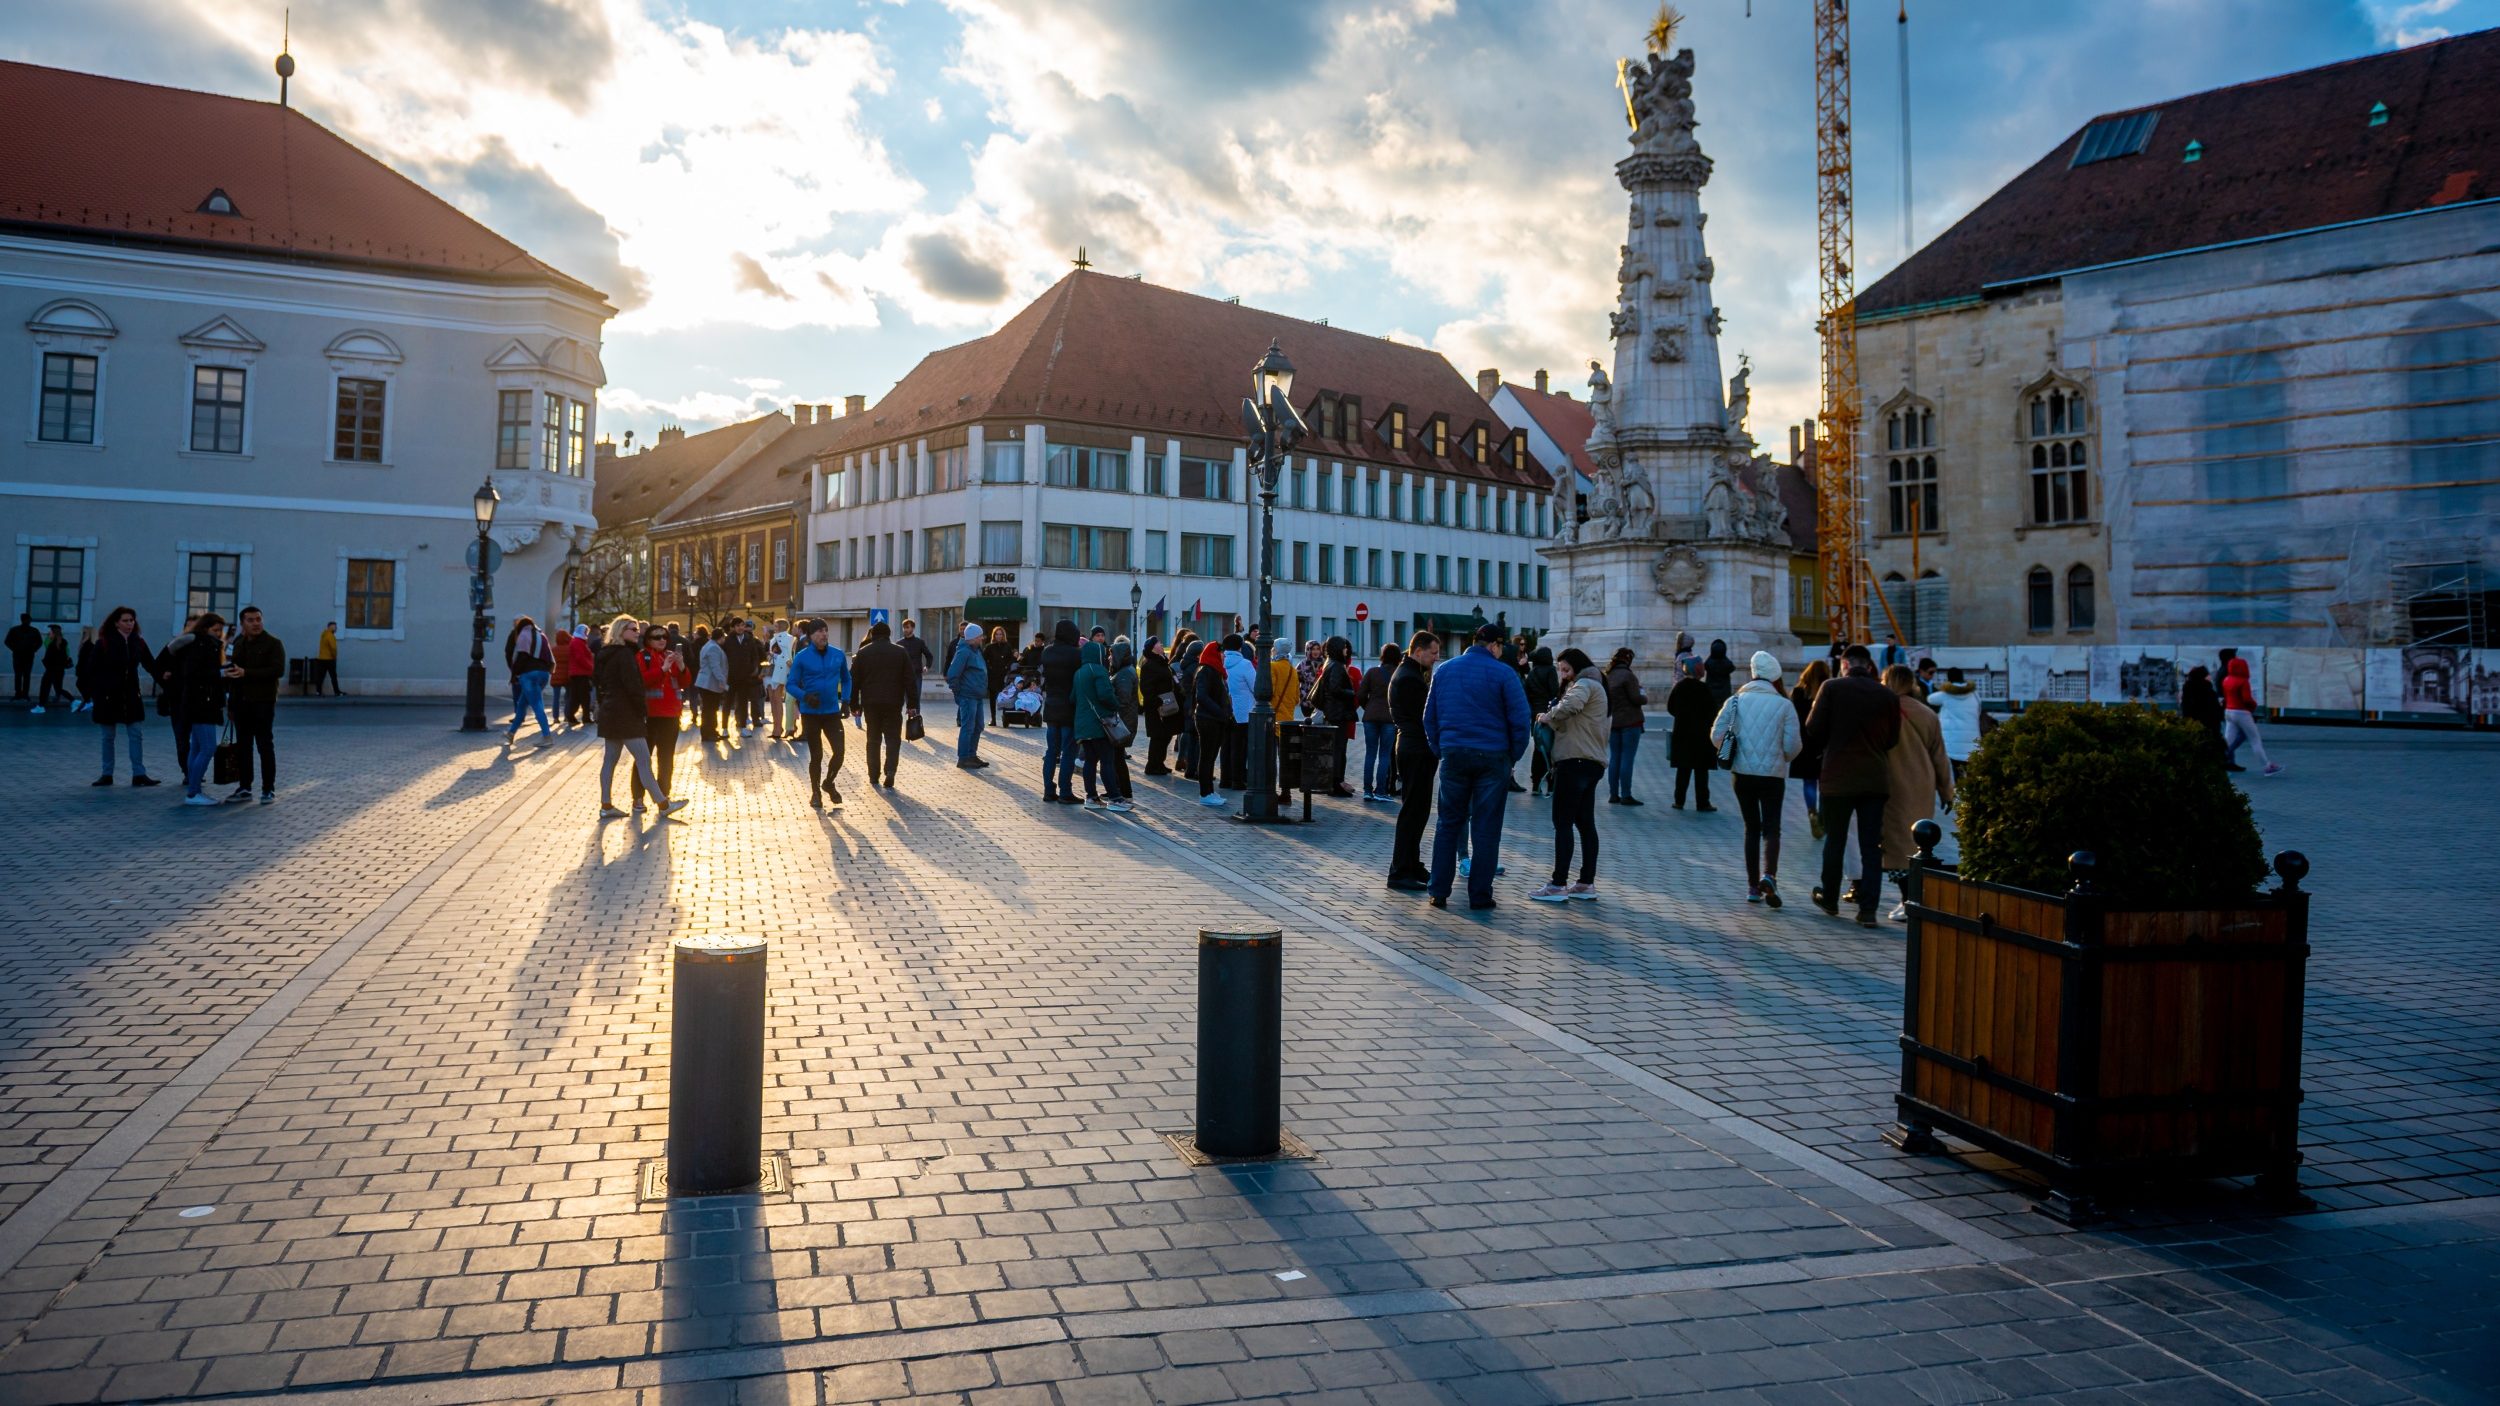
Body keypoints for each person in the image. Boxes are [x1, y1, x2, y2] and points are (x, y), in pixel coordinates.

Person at [1423, 624, 1530, 911]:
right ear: (1494, 645)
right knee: (1486, 827)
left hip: (1454, 754)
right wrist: (1512, 757)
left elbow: (1429, 717)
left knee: (1448, 823)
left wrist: (1441, 748)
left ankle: (1438, 891)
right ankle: (1480, 895)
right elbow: (1521, 721)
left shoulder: (1444, 670)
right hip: (1493, 756)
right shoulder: (1505, 674)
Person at [1803, 645, 1902, 927]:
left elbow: (1813, 728)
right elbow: (1892, 739)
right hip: (1874, 778)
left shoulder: (1831, 688)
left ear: (1844, 664)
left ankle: (1831, 898)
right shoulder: (1887, 695)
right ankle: (1868, 909)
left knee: (1836, 839)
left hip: (1837, 777)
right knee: (1871, 846)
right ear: (1869, 666)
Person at [1712, 651, 1803, 906]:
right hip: (1773, 776)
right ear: (1775, 677)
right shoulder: (1784, 704)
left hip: (1742, 774)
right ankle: (1769, 875)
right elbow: (1793, 745)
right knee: (1772, 828)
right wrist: (1780, 757)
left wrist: (1737, 752)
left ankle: (1752, 887)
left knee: (1751, 828)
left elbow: (1716, 735)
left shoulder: (1736, 701)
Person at [1528, 646, 1610, 903]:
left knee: (1562, 822)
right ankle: (1586, 882)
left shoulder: (1584, 684)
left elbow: (1571, 705)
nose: (1562, 675)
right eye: (1560, 670)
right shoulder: (1598, 685)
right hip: (1592, 761)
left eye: (1565, 670)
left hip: (1573, 761)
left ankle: (1557, 884)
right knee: (1585, 823)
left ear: (1577, 666)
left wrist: (1546, 717)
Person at [1880, 663, 1956, 921]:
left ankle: (1908, 901)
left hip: (1890, 785)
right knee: (1917, 843)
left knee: (1895, 847)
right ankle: (1914, 899)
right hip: (1922, 785)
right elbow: (1939, 756)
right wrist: (1947, 791)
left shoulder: (1881, 711)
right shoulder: (1926, 713)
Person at [593, 617, 686, 820]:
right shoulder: (626, 654)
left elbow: (598, 683)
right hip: (626, 714)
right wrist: (640, 711)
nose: (637, 633)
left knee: (610, 760)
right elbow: (633, 686)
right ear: (620, 631)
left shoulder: (605, 653)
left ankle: (606, 804)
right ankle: (663, 804)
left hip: (611, 711)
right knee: (644, 760)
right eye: (632, 629)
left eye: (637, 629)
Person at [1385, 632, 1442, 890]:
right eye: (1433, 652)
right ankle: (1400, 870)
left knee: (1418, 811)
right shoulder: (1410, 679)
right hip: (1415, 747)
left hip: (1414, 747)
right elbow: (1426, 715)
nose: (1436, 657)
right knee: (1412, 811)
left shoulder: (1410, 673)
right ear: (1418, 651)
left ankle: (1412, 864)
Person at [80, 606, 157, 786]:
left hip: (131, 694)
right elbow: (90, 670)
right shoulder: (104, 642)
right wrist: (94, 693)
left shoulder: (138, 642)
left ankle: (139, 774)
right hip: (108, 696)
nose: (130, 624)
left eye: (132, 620)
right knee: (108, 736)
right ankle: (107, 774)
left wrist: (166, 678)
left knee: (136, 734)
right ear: (116, 622)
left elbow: (151, 664)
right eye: (125, 620)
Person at [788, 619, 853, 808]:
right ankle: (816, 793)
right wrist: (805, 697)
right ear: (810, 635)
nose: (824, 634)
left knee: (839, 752)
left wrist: (846, 701)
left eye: (826, 630)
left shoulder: (838, 655)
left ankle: (828, 783)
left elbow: (847, 679)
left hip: (832, 711)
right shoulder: (802, 657)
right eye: (819, 631)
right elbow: (791, 684)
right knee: (816, 756)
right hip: (811, 713)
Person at [222, 606, 285, 803]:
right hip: (241, 703)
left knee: (265, 745)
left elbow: (277, 670)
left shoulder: (273, 643)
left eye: (258, 619)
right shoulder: (239, 642)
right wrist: (231, 706)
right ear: (242, 624)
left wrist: (247, 673)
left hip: (263, 702)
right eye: (250, 620)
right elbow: (234, 675)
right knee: (243, 746)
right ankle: (245, 787)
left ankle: (268, 789)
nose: (256, 623)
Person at [172, 613, 230, 806]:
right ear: (205, 628)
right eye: (215, 630)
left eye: (220, 630)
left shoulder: (203, 644)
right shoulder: (203, 645)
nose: (219, 634)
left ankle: (193, 788)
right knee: (207, 748)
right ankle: (193, 791)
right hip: (202, 703)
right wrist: (221, 672)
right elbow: (196, 673)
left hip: (197, 702)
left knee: (197, 747)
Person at [632, 623, 690, 812]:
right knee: (643, 758)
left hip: (670, 715)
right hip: (650, 716)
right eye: (657, 637)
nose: (662, 640)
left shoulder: (669, 656)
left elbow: (685, 682)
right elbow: (643, 681)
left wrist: (681, 666)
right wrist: (664, 668)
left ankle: (664, 796)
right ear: (648, 640)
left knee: (666, 758)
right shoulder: (643, 657)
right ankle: (638, 798)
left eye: (664, 637)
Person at [851, 620, 911, 789]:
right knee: (893, 739)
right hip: (893, 702)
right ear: (889, 634)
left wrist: (855, 703)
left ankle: (873, 774)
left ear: (873, 635)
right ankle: (890, 770)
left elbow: (855, 680)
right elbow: (910, 680)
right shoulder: (900, 652)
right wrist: (912, 703)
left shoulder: (863, 653)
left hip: (871, 703)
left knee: (873, 739)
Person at [1071, 639, 1127, 811]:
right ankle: (1115, 799)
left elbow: (1072, 698)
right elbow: (1105, 694)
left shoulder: (1078, 673)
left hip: (1083, 725)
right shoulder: (1099, 671)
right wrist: (1116, 704)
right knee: (1107, 761)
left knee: (1090, 761)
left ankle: (1091, 797)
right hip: (1099, 724)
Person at [1038, 619, 1084, 803]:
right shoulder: (1075, 654)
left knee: (1051, 751)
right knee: (1068, 751)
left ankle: (1048, 790)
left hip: (1051, 706)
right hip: (1069, 707)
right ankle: (1065, 791)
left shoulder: (1047, 651)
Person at [1666, 657, 1719, 811]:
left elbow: (1671, 707)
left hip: (1683, 733)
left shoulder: (1680, 687)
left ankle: (1679, 800)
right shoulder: (1704, 688)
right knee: (1701, 771)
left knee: (1683, 770)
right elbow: (1713, 711)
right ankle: (1702, 802)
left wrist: (1682, 716)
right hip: (1701, 735)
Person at [2220, 657, 2282, 777]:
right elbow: (2247, 699)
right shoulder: (2243, 681)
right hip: (2242, 713)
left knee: (2227, 741)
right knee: (2255, 740)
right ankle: (2267, 767)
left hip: (2229, 711)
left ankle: (2215, 762)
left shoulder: (2226, 680)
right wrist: (2253, 706)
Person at [1791, 659, 1831, 840]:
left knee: (1808, 782)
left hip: (1804, 742)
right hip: (1823, 742)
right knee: (1824, 783)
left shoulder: (1799, 692)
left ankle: (1811, 812)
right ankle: (1823, 818)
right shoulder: (1828, 690)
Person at [1314, 636, 1359, 799]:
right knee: (1339, 749)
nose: (1346, 650)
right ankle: (1336, 783)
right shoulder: (1337, 666)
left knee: (1336, 749)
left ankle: (1335, 782)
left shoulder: (1329, 663)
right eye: (1344, 647)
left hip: (1333, 712)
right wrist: (1352, 692)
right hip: (1338, 713)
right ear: (1338, 648)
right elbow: (1334, 688)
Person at [503, 615, 557, 746]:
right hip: (544, 674)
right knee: (522, 704)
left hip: (529, 674)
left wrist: (515, 674)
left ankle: (547, 737)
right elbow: (550, 657)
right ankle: (511, 734)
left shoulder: (523, 635)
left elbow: (522, 656)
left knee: (537, 705)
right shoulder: (541, 635)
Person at [1191, 639, 1232, 807]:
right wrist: (1220, 711)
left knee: (1211, 756)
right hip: (1208, 719)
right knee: (1207, 757)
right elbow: (1201, 696)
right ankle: (1205, 793)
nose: (1223, 656)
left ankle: (1209, 790)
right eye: (1221, 653)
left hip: (1214, 719)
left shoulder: (1215, 670)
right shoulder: (1206, 670)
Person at [1603, 649, 1647, 805]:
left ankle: (1613, 794)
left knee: (1615, 758)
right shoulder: (1628, 676)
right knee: (1627, 758)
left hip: (1613, 722)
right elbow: (1636, 698)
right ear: (1628, 659)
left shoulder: (1608, 676)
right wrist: (1644, 696)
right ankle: (1626, 794)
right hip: (1630, 722)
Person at [1360, 641, 1401, 802]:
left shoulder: (1372, 672)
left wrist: (1368, 707)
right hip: (1390, 719)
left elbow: (1361, 695)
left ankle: (1367, 790)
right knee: (1384, 755)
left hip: (1370, 718)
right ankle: (1381, 791)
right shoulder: (1399, 673)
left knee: (1370, 753)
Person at [947, 621, 990, 769]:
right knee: (968, 727)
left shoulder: (975, 650)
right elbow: (952, 674)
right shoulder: (964, 651)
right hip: (968, 696)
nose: (981, 639)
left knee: (978, 726)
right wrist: (958, 694)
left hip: (977, 696)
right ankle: (964, 758)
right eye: (979, 637)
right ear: (972, 637)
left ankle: (972, 755)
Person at [1931, 667, 1982, 782]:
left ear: (1948, 679)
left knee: (1953, 778)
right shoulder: (1974, 694)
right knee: (1971, 778)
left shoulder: (1945, 694)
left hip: (1951, 744)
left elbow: (1930, 699)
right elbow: (1979, 711)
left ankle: (1953, 798)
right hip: (1972, 742)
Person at [1523, 646, 1560, 797]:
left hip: (1535, 714)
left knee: (1538, 749)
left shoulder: (1532, 672)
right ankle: (1551, 784)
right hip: (1548, 713)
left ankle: (1535, 783)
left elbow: (1527, 693)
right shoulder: (1550, 671)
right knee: (1550, 749)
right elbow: (1554, 691)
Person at [1221, 634, 1257, 790]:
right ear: (1239, 647)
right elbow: (1255, 687)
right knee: (1240, 748)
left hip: (1226, 710)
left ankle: (1225, 779)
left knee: (1226, 746)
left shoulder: (1221, 663)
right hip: (1243, 712)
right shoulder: (1245, 664)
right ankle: (1238, 779)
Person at [1139, 636, 1178, 776]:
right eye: (1159, 643)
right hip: (1156, 706)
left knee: (1165, 735)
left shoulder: (1162, 662)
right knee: (1157, 736)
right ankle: (1152, 765)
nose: (1161, 645)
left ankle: (1159, 763)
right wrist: (1157, 701)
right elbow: (1146, 687)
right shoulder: (1149, 664)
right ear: (1153, 648)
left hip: (1167, 703)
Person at [2180, 664, 2226, 768]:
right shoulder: (2207, 688)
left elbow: (2185, 706)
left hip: (2192, 722)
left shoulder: (2187, 687)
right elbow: (2213, 707)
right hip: (2209, 722)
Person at [693, 625, 729, 741]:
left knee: (709, 709)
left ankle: (710, 731)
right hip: (709, 684)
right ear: (721, 637)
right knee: (710, 709)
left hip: (706, 683)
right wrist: (722, 681)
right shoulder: (714, 648)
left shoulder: (709, 645)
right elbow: (715, 667)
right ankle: (709, 733)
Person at [898, 617, 934, 730]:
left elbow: (929, 655)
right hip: (902, 676)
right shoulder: (899, 643)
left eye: (908, 627)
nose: (905, 629)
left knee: (915, 698)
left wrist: (927, 666)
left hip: (916, 675)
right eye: (904, 627)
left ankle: (915, 724)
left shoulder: (919, 642)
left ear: (913, 628)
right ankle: (906, 722)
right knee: (904, 699)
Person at [766, 618, 795, 740]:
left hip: (781, 671)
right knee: (773, 699)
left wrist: (774, 657)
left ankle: (779, 728)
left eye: (777, 626)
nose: (775, 628)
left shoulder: (788, 639)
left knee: (777, 699)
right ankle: (776, 727)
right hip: (772, 669)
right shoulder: (774, 639)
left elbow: (787, 656)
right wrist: (771, 657)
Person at [982, 627, 1015, 727]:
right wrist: (989, 668)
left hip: (1003, 675)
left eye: (1000, 634)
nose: (999, 636)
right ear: (994, 635)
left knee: (1005, 697)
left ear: (1003, 635)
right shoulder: (989, 647)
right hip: (992, 675)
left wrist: (1007, 666)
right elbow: (983, 659)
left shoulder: (1007, 646)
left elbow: (1011, 659)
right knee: (992, 698)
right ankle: (993, 718)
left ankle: (1005, 717)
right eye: (997, 634)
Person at [565, 626, 597, 726]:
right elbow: (580, 658)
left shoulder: (577, 641)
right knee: (583, 696)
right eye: (586, 631)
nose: (587, 633)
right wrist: (591, 667)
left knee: (577, 696)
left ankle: (572, 716)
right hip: (581, 673)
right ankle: (584, 717)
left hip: (578, 673)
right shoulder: (578, 642)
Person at [34, 625, 72, 712]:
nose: (48, 634)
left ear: (54, 633)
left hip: (51, 669)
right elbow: (66, 654)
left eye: (50, 632)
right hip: (59, 669)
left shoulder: (52, 644)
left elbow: (48, 657)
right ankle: (73, 700)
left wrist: (46, 663)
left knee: (45, 686)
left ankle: (41, 705)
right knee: (58, 687)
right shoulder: (63, 642)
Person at [6, 613, 39, 702]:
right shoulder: (14, 630)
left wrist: (33, 649)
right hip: (18, 656)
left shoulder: (34, 631)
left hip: (29, 656)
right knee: (18, 675)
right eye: (26, 620)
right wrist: (15, 649)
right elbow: (7, 641)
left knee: (26, 675)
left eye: (28, 620)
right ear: (23, 620)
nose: (28, 622)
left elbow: (39, 642)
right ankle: (18, 694)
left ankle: (25, 694)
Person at [1703, 638, 1735, 710]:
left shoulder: (1709, 663)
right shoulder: (1727, 664)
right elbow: (1732, 667)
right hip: (1724, 694)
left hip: (1711, 693)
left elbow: (1705, 666)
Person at [312, 621, 340, 695]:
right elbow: (333, 648)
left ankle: (318, 691)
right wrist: (334, 656)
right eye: (335, 626)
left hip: (321, 659)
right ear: (330, 627)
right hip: (329, 659)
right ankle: (337, 692)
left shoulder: (323, 634)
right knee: (333, 676)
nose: (336, 628)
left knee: (320, 677)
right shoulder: (330, 636)